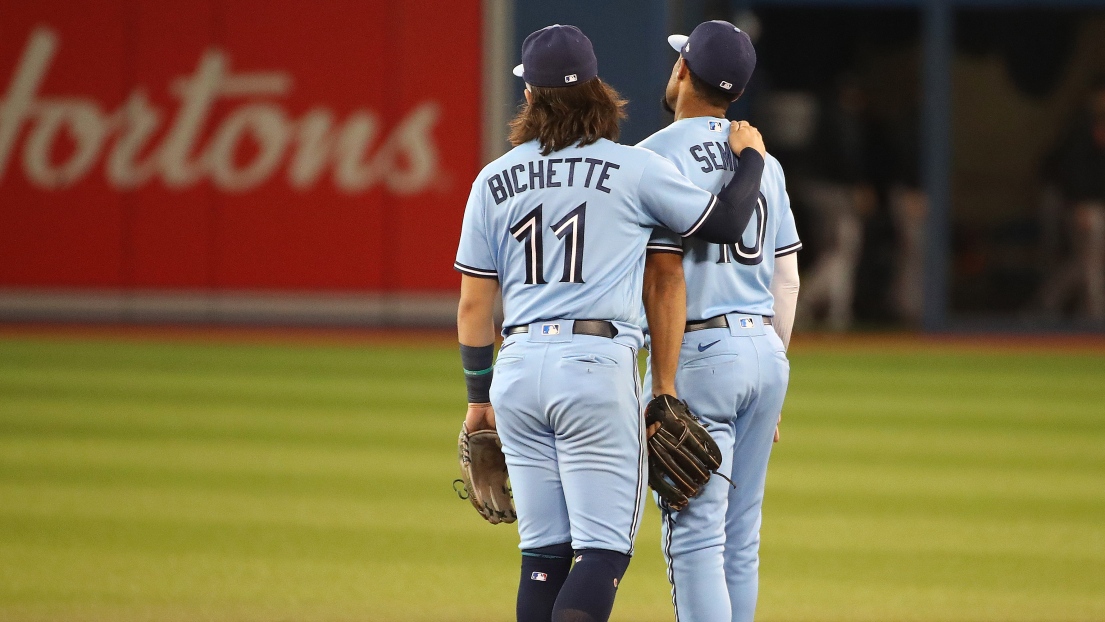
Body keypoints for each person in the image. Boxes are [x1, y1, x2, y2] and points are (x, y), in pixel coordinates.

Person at [454, 25, 768, 622]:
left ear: (529, 98)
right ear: (598, 89)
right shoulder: (631, 169)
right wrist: (749, 156)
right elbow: (726, 224)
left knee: (542, 556)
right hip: (595, 369)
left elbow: (474, 307)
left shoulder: (492, 180)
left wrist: (477, 402)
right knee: (601, 555)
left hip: (517, 371)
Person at [638, 21, 801, 622]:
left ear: (683, 72)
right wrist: (776, 370)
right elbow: (788, 280)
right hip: (765, 352)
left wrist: (663, 383)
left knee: (696, 535)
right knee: (742, 537)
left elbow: (661, 276)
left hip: (700, 355)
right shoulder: (768, 164)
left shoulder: (651, 156)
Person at [1039, 78, 1105, 321]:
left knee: (1085, 263)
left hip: (1090, 204)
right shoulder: (1080, 127)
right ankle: (1094, 316)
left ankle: (1049, 303)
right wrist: (1080, 204)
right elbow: (1068, 171)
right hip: (1072, 203)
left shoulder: (1092, 125)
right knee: (1089, 263)